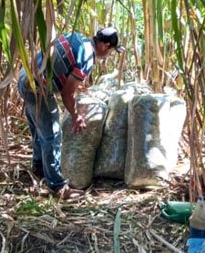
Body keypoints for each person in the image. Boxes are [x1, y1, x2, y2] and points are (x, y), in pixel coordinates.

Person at [17, 27, 125, 199]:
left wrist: (74, 84)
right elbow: (67, 94)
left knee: (39, 130)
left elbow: (61, 65)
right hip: (37, 88)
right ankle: (58, 187)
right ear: (105, 46)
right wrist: (76, 117)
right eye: (112, 50)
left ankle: (38, 168)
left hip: (25, 77)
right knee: (52, 135)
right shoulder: (87, 57)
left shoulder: (77, 37)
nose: (110, 54)